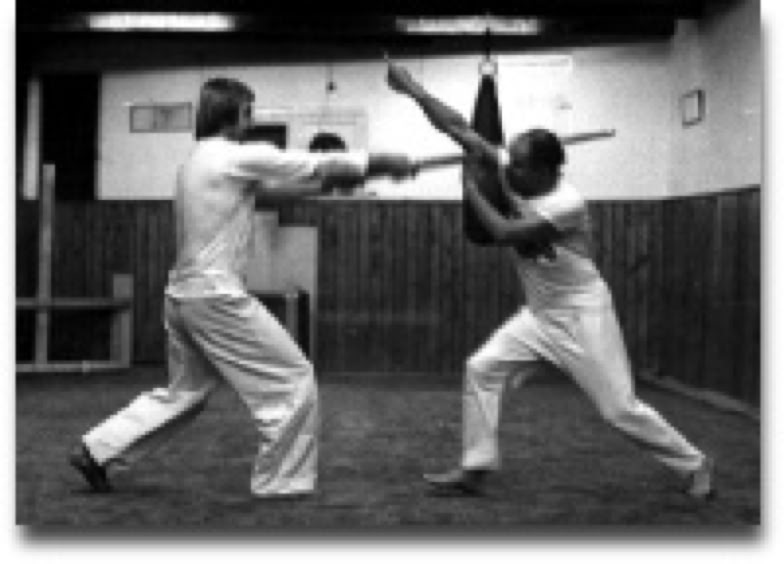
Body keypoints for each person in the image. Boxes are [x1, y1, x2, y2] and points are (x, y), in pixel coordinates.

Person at [69, 77, 414, 498]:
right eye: (248, 112)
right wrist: (388, 161)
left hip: (181, 298)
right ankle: (281, 482)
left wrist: (340, 180)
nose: (251, 121)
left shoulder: (194, 163)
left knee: (185, 392)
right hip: (215, 297)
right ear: (231, 114)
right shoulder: (236, 156)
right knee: (294, 379)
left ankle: (98, 449)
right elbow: (321, 166)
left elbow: (269, 194)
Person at [386, 61, 714, 499]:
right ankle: (476, 467)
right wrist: (413, 89)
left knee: (618, 409)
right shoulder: (517, 168)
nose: (507, 169)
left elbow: (505, 234)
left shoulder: (567, 204)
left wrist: (471, 191)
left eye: (516, 166)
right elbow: (458, 127)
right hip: (541, 315)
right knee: (482, 369)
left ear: (544, 172)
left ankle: (693, 464)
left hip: (583, 315)